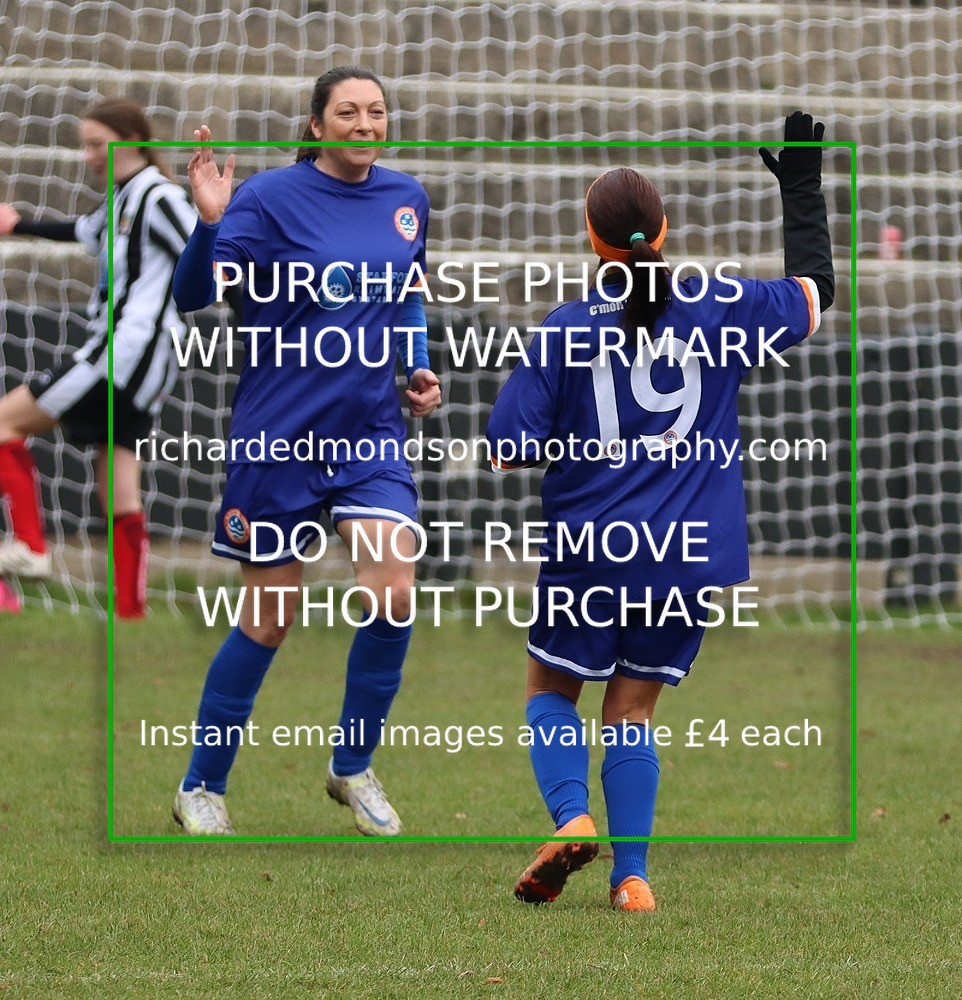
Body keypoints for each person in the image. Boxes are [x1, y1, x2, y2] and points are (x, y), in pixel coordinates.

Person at [486, 112, 833, 911]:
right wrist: (803, 189)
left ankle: (573, 819)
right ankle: (632, 878)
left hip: (591, 547)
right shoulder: (719, 306)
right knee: (633, 710)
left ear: (592, 241)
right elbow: (819, 292)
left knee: (548, 693)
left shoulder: (565, 330)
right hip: (684, 553)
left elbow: (506, 445)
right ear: (665, 229)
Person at [170, 66, 441, 836]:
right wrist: (210, 221)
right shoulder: (267, 198)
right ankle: (202, 785)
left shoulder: (406, 200)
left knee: (393, 590)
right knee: (268, 619)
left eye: (377, 110)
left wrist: (416, 366)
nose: (365, 122)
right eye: (348, 111)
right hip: (278, 438)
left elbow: (408, 294)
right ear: (317, 125)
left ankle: (352, 766)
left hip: (369, 434)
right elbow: (194, 294)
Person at [0, 98, 196, 618]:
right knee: (118, 486)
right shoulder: (121, 198)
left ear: (129, 141)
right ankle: (131, 610)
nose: (87, 155)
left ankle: (31, 549)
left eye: (95, 144)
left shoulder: (158, 196)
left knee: (2, 424)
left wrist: (257, 328)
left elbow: (206, 254)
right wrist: (18, 224)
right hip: (139, 359)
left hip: (125, 351)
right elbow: (81, 232)